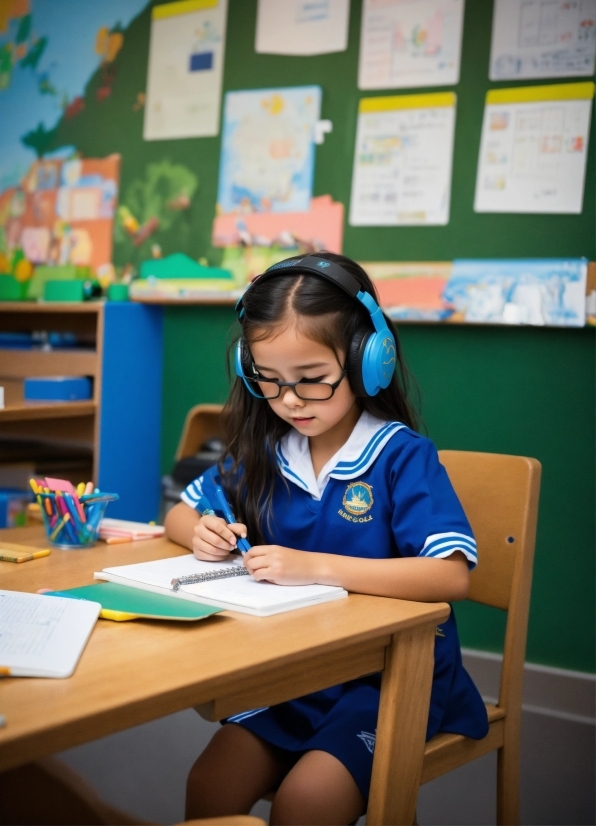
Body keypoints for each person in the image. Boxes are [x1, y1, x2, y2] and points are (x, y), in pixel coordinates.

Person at [165, 252, 488, 826]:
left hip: (390, 679)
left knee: (305, 803)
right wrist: (203, 533)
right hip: (298, 671)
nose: (289, 401)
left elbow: (449, 574)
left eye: (312, 380)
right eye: (270, 381)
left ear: (369, 362)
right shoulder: (266, 452)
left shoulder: (399, 456)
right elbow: (178, 516)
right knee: (209, 783)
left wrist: (314, 566)